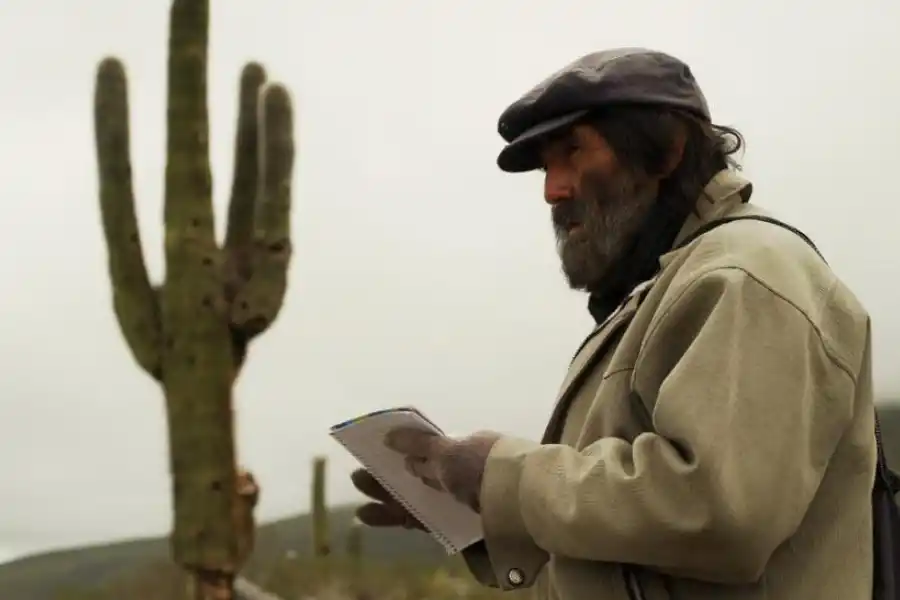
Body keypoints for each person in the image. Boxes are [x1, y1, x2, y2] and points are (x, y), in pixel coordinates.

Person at [349, 47, 877, 599]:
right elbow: (643, 550)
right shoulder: (664, 291)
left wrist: (502, 477)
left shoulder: (745, 273)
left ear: (666, 151)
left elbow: (719, 513)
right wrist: (482, 513)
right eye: (547, 166)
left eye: (573, 152)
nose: (552, 189)